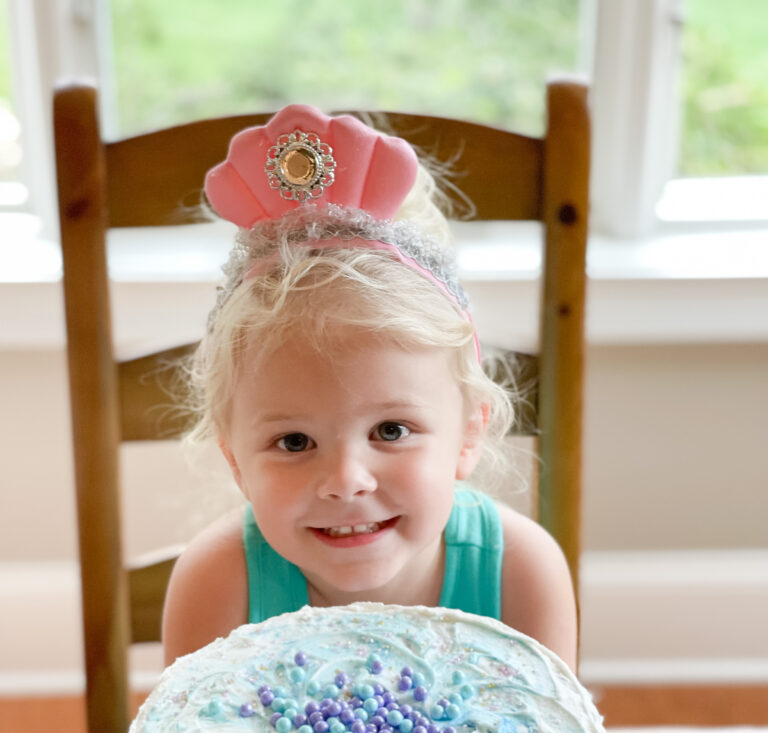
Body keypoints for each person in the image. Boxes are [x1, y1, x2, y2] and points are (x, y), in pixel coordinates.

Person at [162, 104, 577, 670]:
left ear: (469, 433)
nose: (346, 482)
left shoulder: (520, 574)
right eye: (293, 442)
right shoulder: (217, 585)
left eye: (391, 430)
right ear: (236, 461)